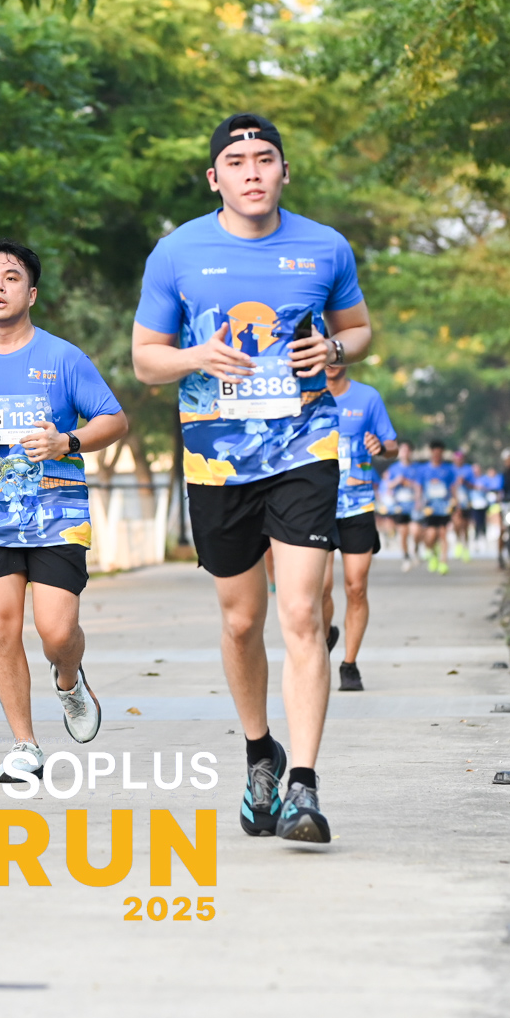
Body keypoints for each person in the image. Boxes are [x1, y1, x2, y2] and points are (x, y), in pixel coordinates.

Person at [130, 112, 373, 845]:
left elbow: (359, 331)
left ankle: (304, 785)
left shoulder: (325, 246)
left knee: (301, 615)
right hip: (217, 463)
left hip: (304, 451)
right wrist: (196, 357)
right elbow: (145, 360)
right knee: (241, 622)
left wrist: (333, 348)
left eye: (265, 159)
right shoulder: (177, 253)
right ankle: (259, 752)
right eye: (236, 163)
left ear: (284, 171)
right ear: (215, 179)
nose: (253, 172)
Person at [0, 239, 127, 785]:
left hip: (57, 513)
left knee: (56, 632)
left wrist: (67, 442)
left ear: (30, 294)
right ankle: (25, 745)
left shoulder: (63, 358)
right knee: (1, 628)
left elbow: (114, 420)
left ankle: (69, 679)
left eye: (11, 278)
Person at [318, 362, 395, 693]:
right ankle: (325, 637)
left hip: (357, 505)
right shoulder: (304, 394)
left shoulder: (368, 398)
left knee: (356, 586)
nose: (331, 360)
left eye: (338, 352)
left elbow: (391, 445)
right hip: (316, 506)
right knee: (319, 588)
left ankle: (349, 664)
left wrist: (381, 447)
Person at [414, 440, 458, 575]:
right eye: (435, 453)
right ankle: (432, 553)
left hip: (444, 507)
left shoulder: (448, 470)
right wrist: (418, 501)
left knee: (443, 533)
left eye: (440, 453)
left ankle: (443, 562)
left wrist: (455, 502)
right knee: (431, 534)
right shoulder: (423, 470)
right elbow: (418, 487)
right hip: (430, 507)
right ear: (431, 453)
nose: (437, 455)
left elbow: (453, 487)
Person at [384, 443, 421, 570]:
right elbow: (388, 486)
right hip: (400, 505)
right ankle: (406, 557)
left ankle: (416, 549)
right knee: (403, 533)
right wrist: (397, 482)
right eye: (402, 450)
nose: (405, 453)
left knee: (416, 531)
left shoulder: (417, 468)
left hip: (413, 505)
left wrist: (408, 483)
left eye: (407, 450)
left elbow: (419, 486)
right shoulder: (393, 468)